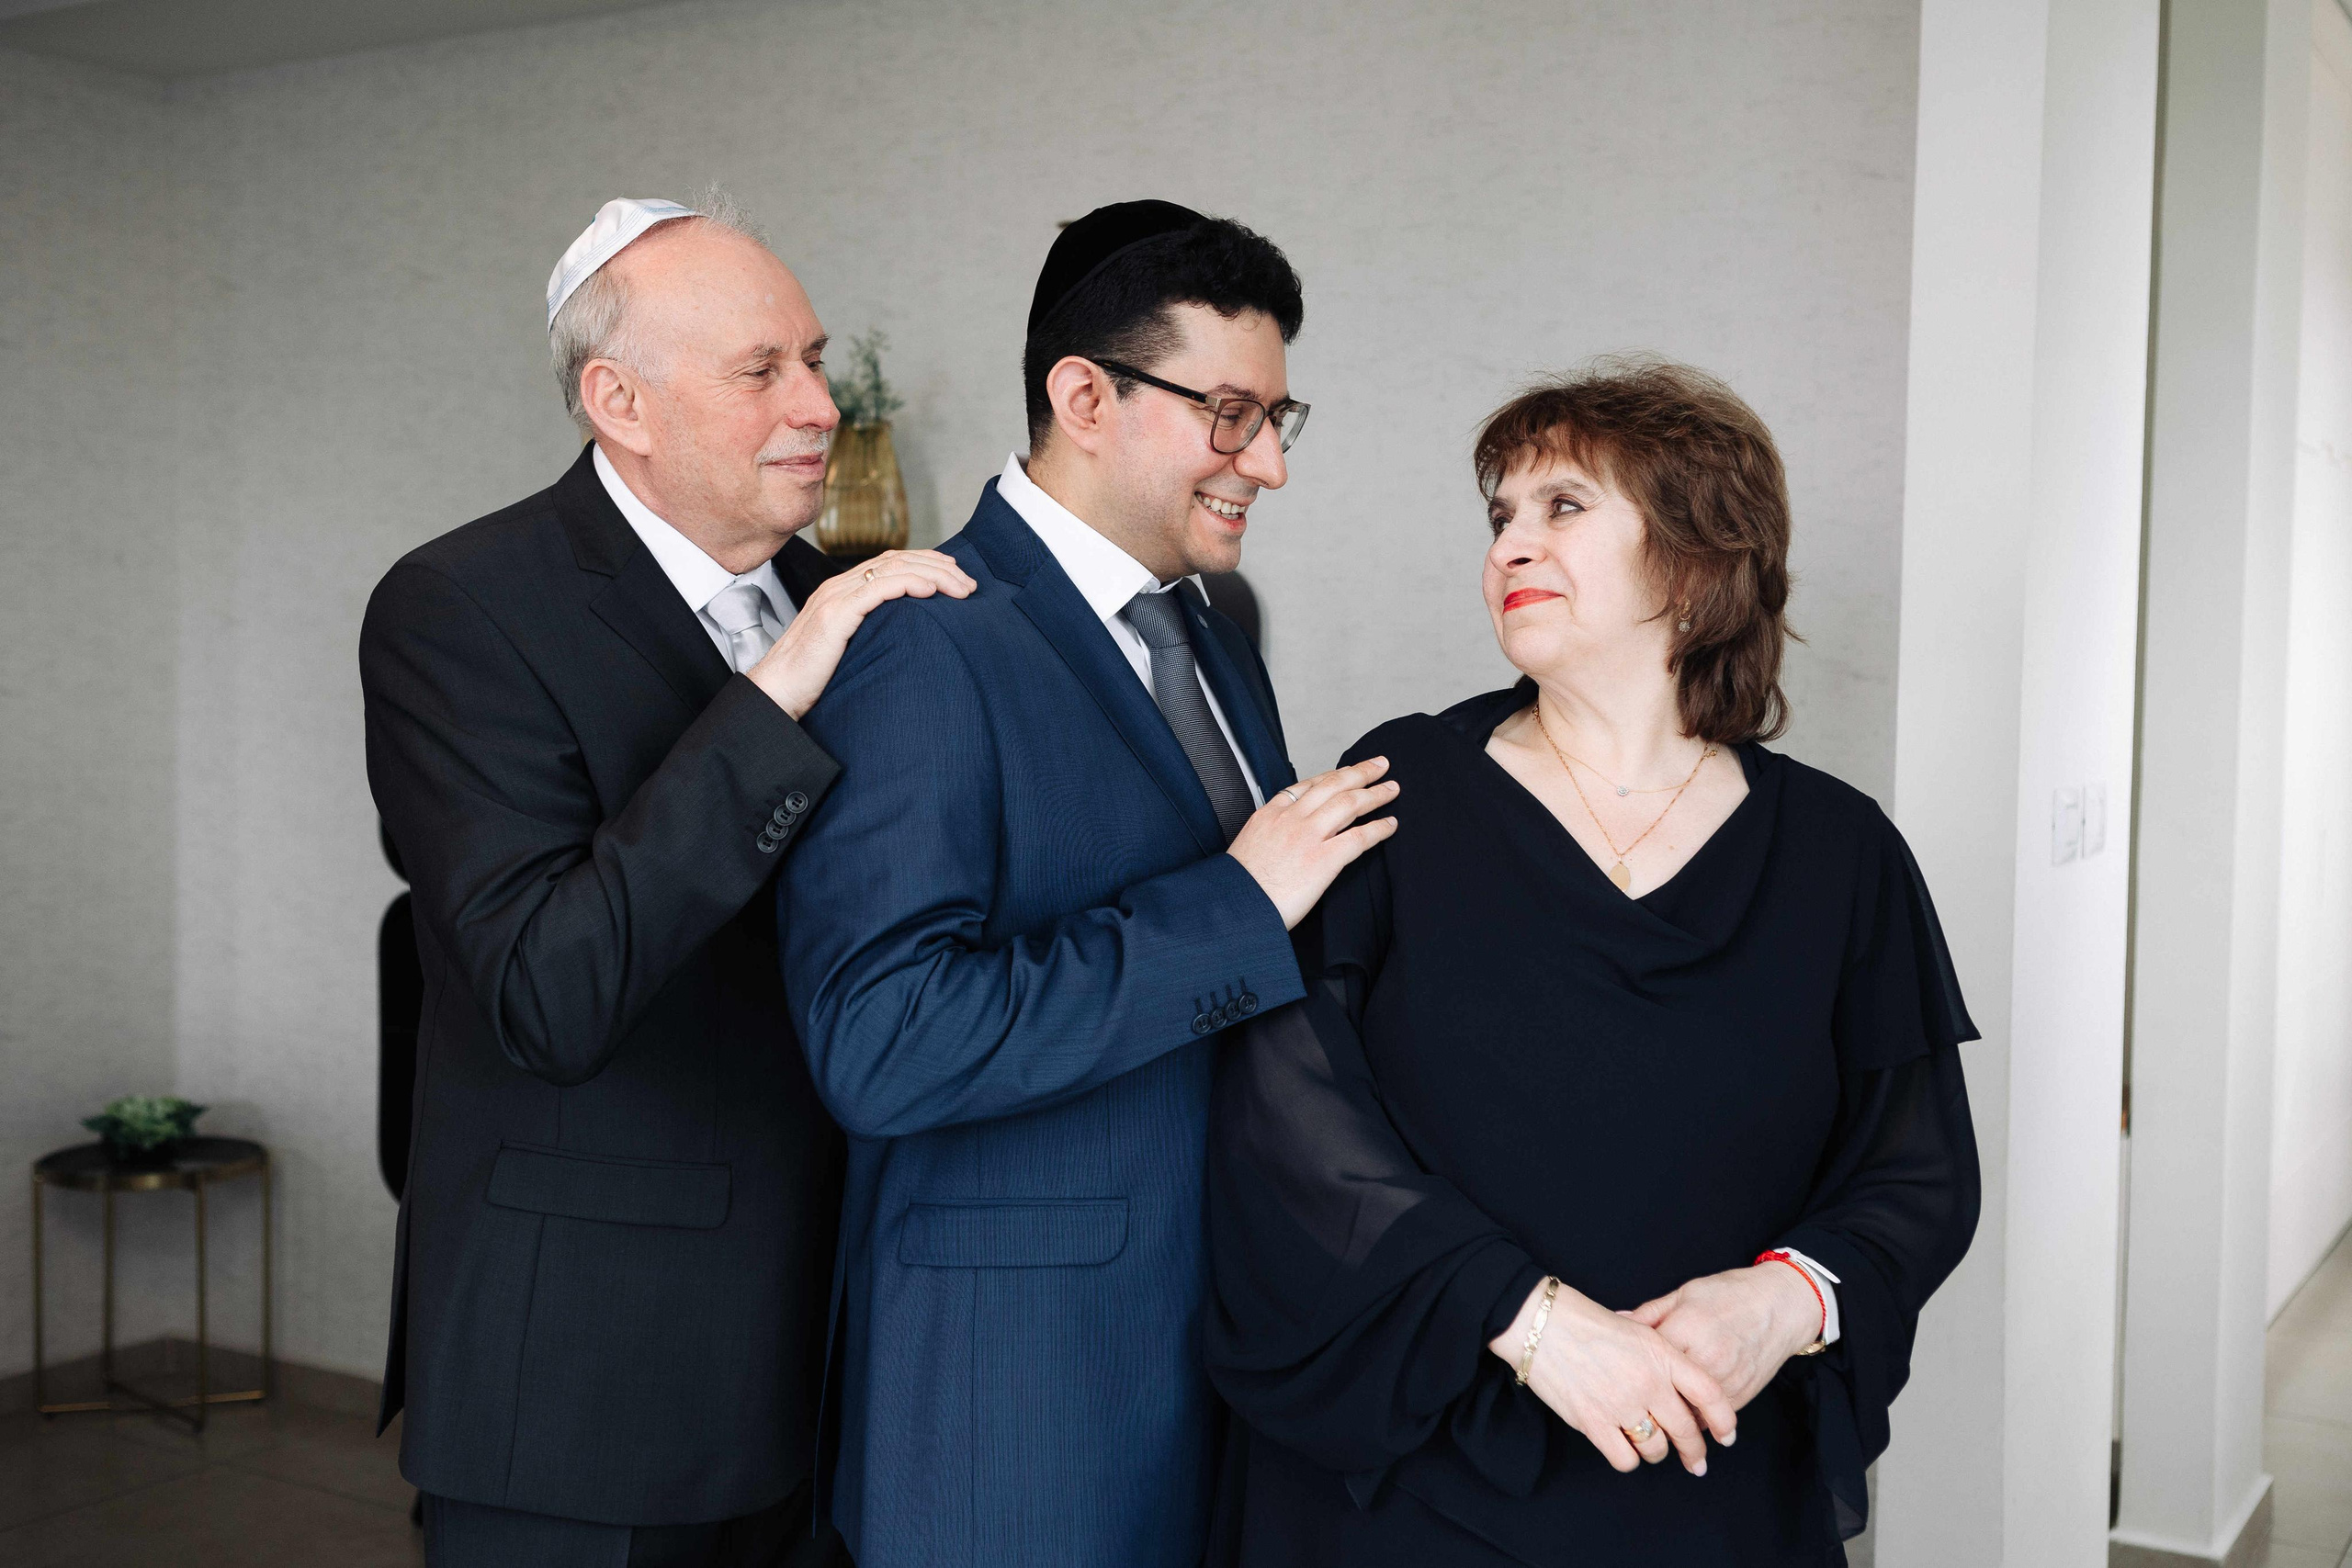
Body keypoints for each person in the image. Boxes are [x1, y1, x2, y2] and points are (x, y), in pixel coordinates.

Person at [1204, 359, 1982, 1566]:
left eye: (1563, 507)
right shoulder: (1396, 791)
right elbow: (1287, 1119)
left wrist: (1782, 1303)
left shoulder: (1843, 854)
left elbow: (1919, 1169)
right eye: (1500, 515)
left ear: (1695, 553)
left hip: (1704, 1474)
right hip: (1422, 1473)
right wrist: (1530, 1322)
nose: (1511, 545)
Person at [775, 201, 1396, 1567]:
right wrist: (1234, 908)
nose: (1269, 466)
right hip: (1021, 1387)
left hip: (1227, 1352)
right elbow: (882, 1043)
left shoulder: (1219, 631)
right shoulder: (921, 642)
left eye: (1283, 420)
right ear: (1085, 397)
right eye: (1233, 414)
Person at [359, 190, 974, 1567]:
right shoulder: (460, 609)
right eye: (764, 371)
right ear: (618, 402)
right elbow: (546, 989)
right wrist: (778, 696)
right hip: (585, 1384)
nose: (818, 404)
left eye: (812, 359)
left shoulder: (850, 599)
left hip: (827, 1371)